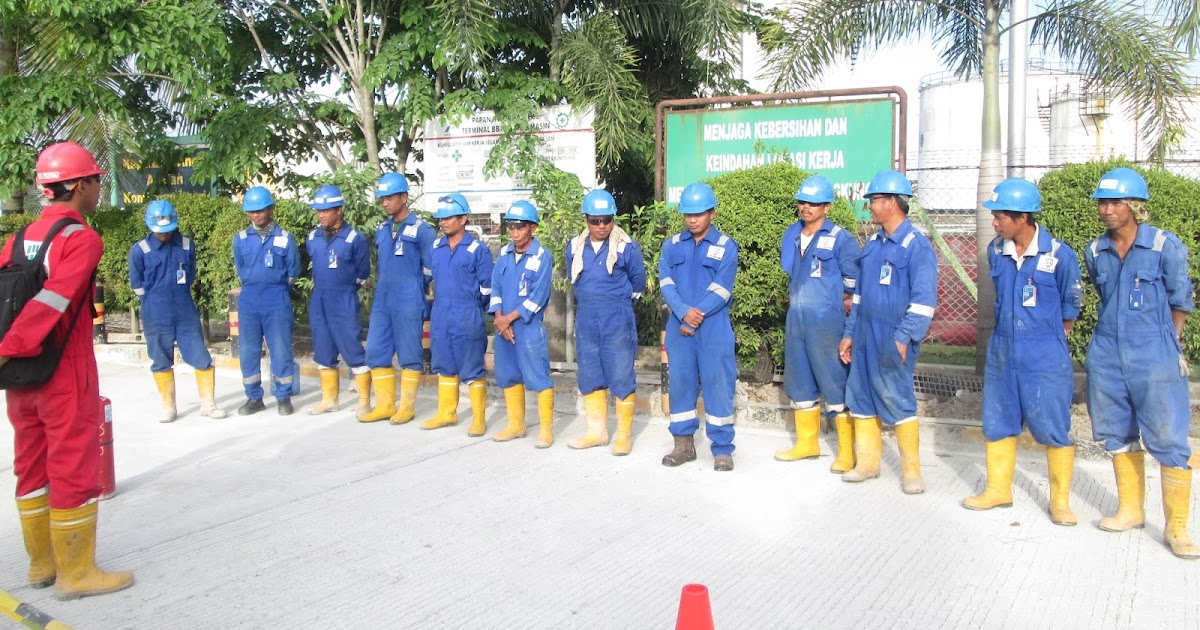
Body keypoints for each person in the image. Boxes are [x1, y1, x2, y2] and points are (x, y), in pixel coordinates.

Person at [1, 141, 133, 599]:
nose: (99, 187)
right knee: (72, 464)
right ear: (78, 185)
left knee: (30, 463)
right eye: (96, 180)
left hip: (19, 377)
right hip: (62, 371)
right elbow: (55, 302)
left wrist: (6, 351)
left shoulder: (17, 239)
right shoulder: (82, 239)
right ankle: (75, 574)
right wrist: (12, 345)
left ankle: (42, 564)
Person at [1084, 167, 1197, 559]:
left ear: (1135, 206)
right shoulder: (1094, 250)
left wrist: (1171, 343)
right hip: (1107, 352)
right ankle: (1130, 510)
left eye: (1115, 202)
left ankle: (1177, 526)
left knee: (1168, 436)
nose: (1107, 210)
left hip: (1156, 351)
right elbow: (1104, 293)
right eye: (1103, 202)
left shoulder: (1166, 247)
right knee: (1116, 432)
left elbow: (1180, 299)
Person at [963, 178, 1083, 525]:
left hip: (1044, 353)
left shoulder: (1059, 255)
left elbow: (1069, 309)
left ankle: (1060, 502)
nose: (995, 222)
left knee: (1052, 425)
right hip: (1003, 350)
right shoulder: (995, 251)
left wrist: (1048, 341)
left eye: (1000, 215)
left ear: (1023, 217)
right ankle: (999, 490)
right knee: (998, 419)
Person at [837, 170, 938, 494]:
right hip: (865, 334)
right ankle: (867, 463)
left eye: (875, 200)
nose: (870, 206)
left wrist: (905, 336)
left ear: (893, 202)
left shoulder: (916, 246)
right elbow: (860, 298)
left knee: (897, 397)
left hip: (894, 336)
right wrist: (850, 332)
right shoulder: (874, 245)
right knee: (861, 395)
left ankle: (911, 472)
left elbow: (924, 301)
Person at [776, 175, 859, 469]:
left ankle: (847, 452)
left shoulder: (841, 239)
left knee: (834, 381)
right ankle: (806, 443)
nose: (805, 207)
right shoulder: (792, 234)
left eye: (813, 203)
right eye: (802, 201)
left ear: (827, 206)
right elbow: (791, 271)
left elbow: (853, 284)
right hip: (796, 318)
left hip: (827, 321)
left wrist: (839, 306)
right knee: (799, 380)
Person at [659, 182, 739, 471]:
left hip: (714, 329)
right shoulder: (671, 245)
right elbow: (666, 283)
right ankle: (683, 445)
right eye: (688, 214)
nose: (693, 219)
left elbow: (722, 288)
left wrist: (695, 315)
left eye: (700, 213)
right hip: (680, 329)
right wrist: (683, 313)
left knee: (719, 385)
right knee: (680, 385)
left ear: (712, 213)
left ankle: (722, 450)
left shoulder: (726, 246)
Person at [566, 189, 647, 455]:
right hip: (587, 317)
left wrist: (618, 305)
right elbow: (574, 279)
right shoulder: (575, 247)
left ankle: (623, 436)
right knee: (590, 373)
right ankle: (596, 432)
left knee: (621, 373)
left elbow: (638, 284)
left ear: (613, 219)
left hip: (617, 318)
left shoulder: (626, 247)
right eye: (595, 221)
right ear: (585, 219)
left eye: (607, 220)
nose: (601, 226)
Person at [130, 199, 226, 423]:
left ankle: (208, 405)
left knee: (200, 356)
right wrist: (153, 302)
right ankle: (168, 407)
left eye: (167, 231)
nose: (163, 235)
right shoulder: (140, 250)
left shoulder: (186, 245)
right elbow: (137, 284)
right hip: (155, 312)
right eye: (159, 232)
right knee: (161, 359)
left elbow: (190, 274)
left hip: (184, 310)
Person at [359, 172, 435, 424]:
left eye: (390, 198)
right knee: (376, 351)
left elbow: (430, 267)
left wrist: (415, 288)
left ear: (404, 197)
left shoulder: (422, 230)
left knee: (409, 353)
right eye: (382, 199)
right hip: (383, 300)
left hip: (408, 299)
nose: (385, 203)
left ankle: (407, 407)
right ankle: (384, 404)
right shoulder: (382, 229)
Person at [421, 193, 495, 435]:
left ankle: (478, 419)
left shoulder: (477, 250)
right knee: (443, 363)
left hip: (467, 315)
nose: (443, 223)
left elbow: (487, 288)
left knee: (472, 365)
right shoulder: (436, 247)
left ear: (463, 219)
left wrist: (477, 310)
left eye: (448, 218)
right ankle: (447, 413)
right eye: (440, 219)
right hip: (441, 314)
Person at [489, 200, 556, 447]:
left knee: (538, 375)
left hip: (527, 327)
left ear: (533, 228)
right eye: (511, 227)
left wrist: (509, 319)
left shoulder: (542, 256)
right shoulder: (504, 254)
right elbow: (495, 287)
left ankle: (546, 430)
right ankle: (516, 425)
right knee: (507, 373)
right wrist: (499, 319)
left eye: (520, 227)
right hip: (503, 328)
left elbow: (538, 297)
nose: (515, 233)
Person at [304, 184, 372, 416]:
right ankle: (329, 400)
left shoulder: (355, 239)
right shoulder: (312, 237)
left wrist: (345, 290)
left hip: (344, 299)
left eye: (327, 210)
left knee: (352, 349)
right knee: (323, 349)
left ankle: (364, 401)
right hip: (319, 300)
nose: (321, 214)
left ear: (339, 210)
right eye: (318, 210)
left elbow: (363, 273)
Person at [233, 185, 300, 415]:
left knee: (280, 348)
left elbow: (293, 272)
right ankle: (253, 397)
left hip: (276, 298)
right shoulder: (240, 239)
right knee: (249, 350)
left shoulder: (285, 238)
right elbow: (240, 268)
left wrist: (275, 286)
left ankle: (283, 396)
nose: (255, 215)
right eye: (251, 211)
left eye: (260, 210)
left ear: (270, 209)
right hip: (249, 299)